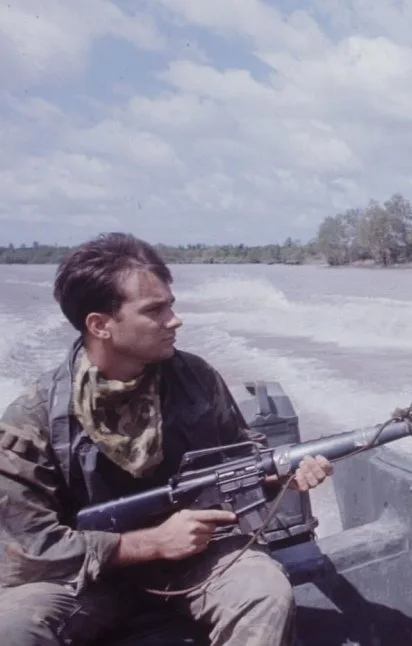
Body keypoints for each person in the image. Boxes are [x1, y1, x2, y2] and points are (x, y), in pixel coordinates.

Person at [0, 233, 334, 645]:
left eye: (171, 305)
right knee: (13, 627)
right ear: (100, 324)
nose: (174, 320)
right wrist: (151, 543)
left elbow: (245, 458)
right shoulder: (33, 417)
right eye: (155, 310)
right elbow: (31, 549)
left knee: (264, 590)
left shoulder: (195, 378)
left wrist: (284, 475)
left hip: (199, 558)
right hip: (89, 576)